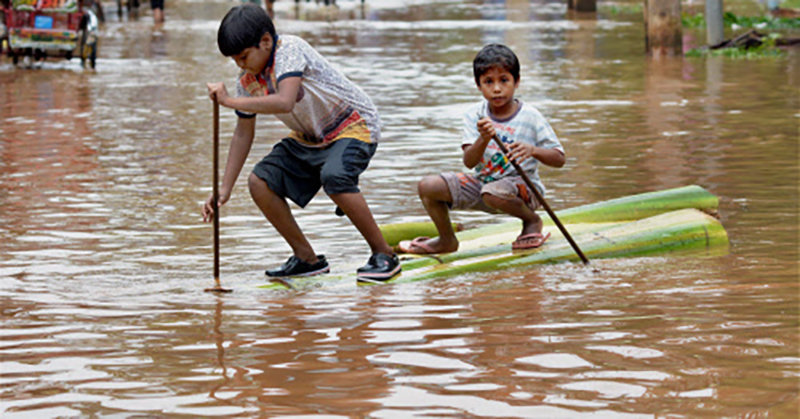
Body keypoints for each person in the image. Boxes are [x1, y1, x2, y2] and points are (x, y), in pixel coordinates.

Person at [203, 4, 401, 281]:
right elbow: (242, 133)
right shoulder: (247, 82)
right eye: (235, 60)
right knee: (259, 181)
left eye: (244, 57)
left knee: (334, 175)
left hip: (354, 125)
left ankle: (385, 255)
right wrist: (223, 190)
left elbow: (284, 102)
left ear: (266, 41)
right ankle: (307, 259)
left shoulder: (289, 49)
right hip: (310, 138)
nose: (240, 65)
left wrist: (227, 101)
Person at [399, 44, 566, 255]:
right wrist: (483, 138)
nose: (496, 88)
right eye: (488, 82)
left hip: (523, 191)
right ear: (478, 86)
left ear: (517, 81)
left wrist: (533, 150)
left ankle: (531, 221)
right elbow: (469, 162)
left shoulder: (530, 116)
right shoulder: (474, 114)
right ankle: (446, 240)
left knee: (493, 191)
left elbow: (559, 159)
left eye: (504, 80)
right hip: (485, 185)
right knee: (428, 186)